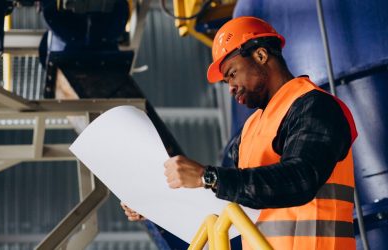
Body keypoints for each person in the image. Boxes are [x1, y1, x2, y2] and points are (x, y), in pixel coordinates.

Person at [123, 16, 358, 250]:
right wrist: (156, 207)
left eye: (232, 74)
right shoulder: (248, 132)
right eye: (226, 82)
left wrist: (208, 177)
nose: (231, 88)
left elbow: (301, 179)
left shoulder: (316, 107)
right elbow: (229, 199)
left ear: (261, 55)